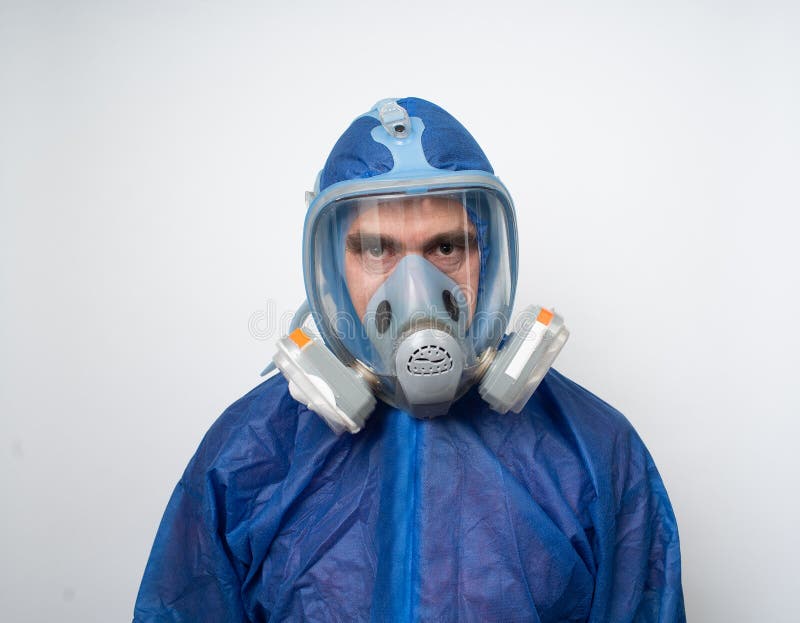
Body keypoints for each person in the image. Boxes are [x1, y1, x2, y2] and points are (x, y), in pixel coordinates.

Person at [134, 97, 685, 622]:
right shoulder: (247, 457)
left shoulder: (595, 452)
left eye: (446, 248)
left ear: (487, 256)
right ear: (332, 267)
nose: (415, 288)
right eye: (378, 249)